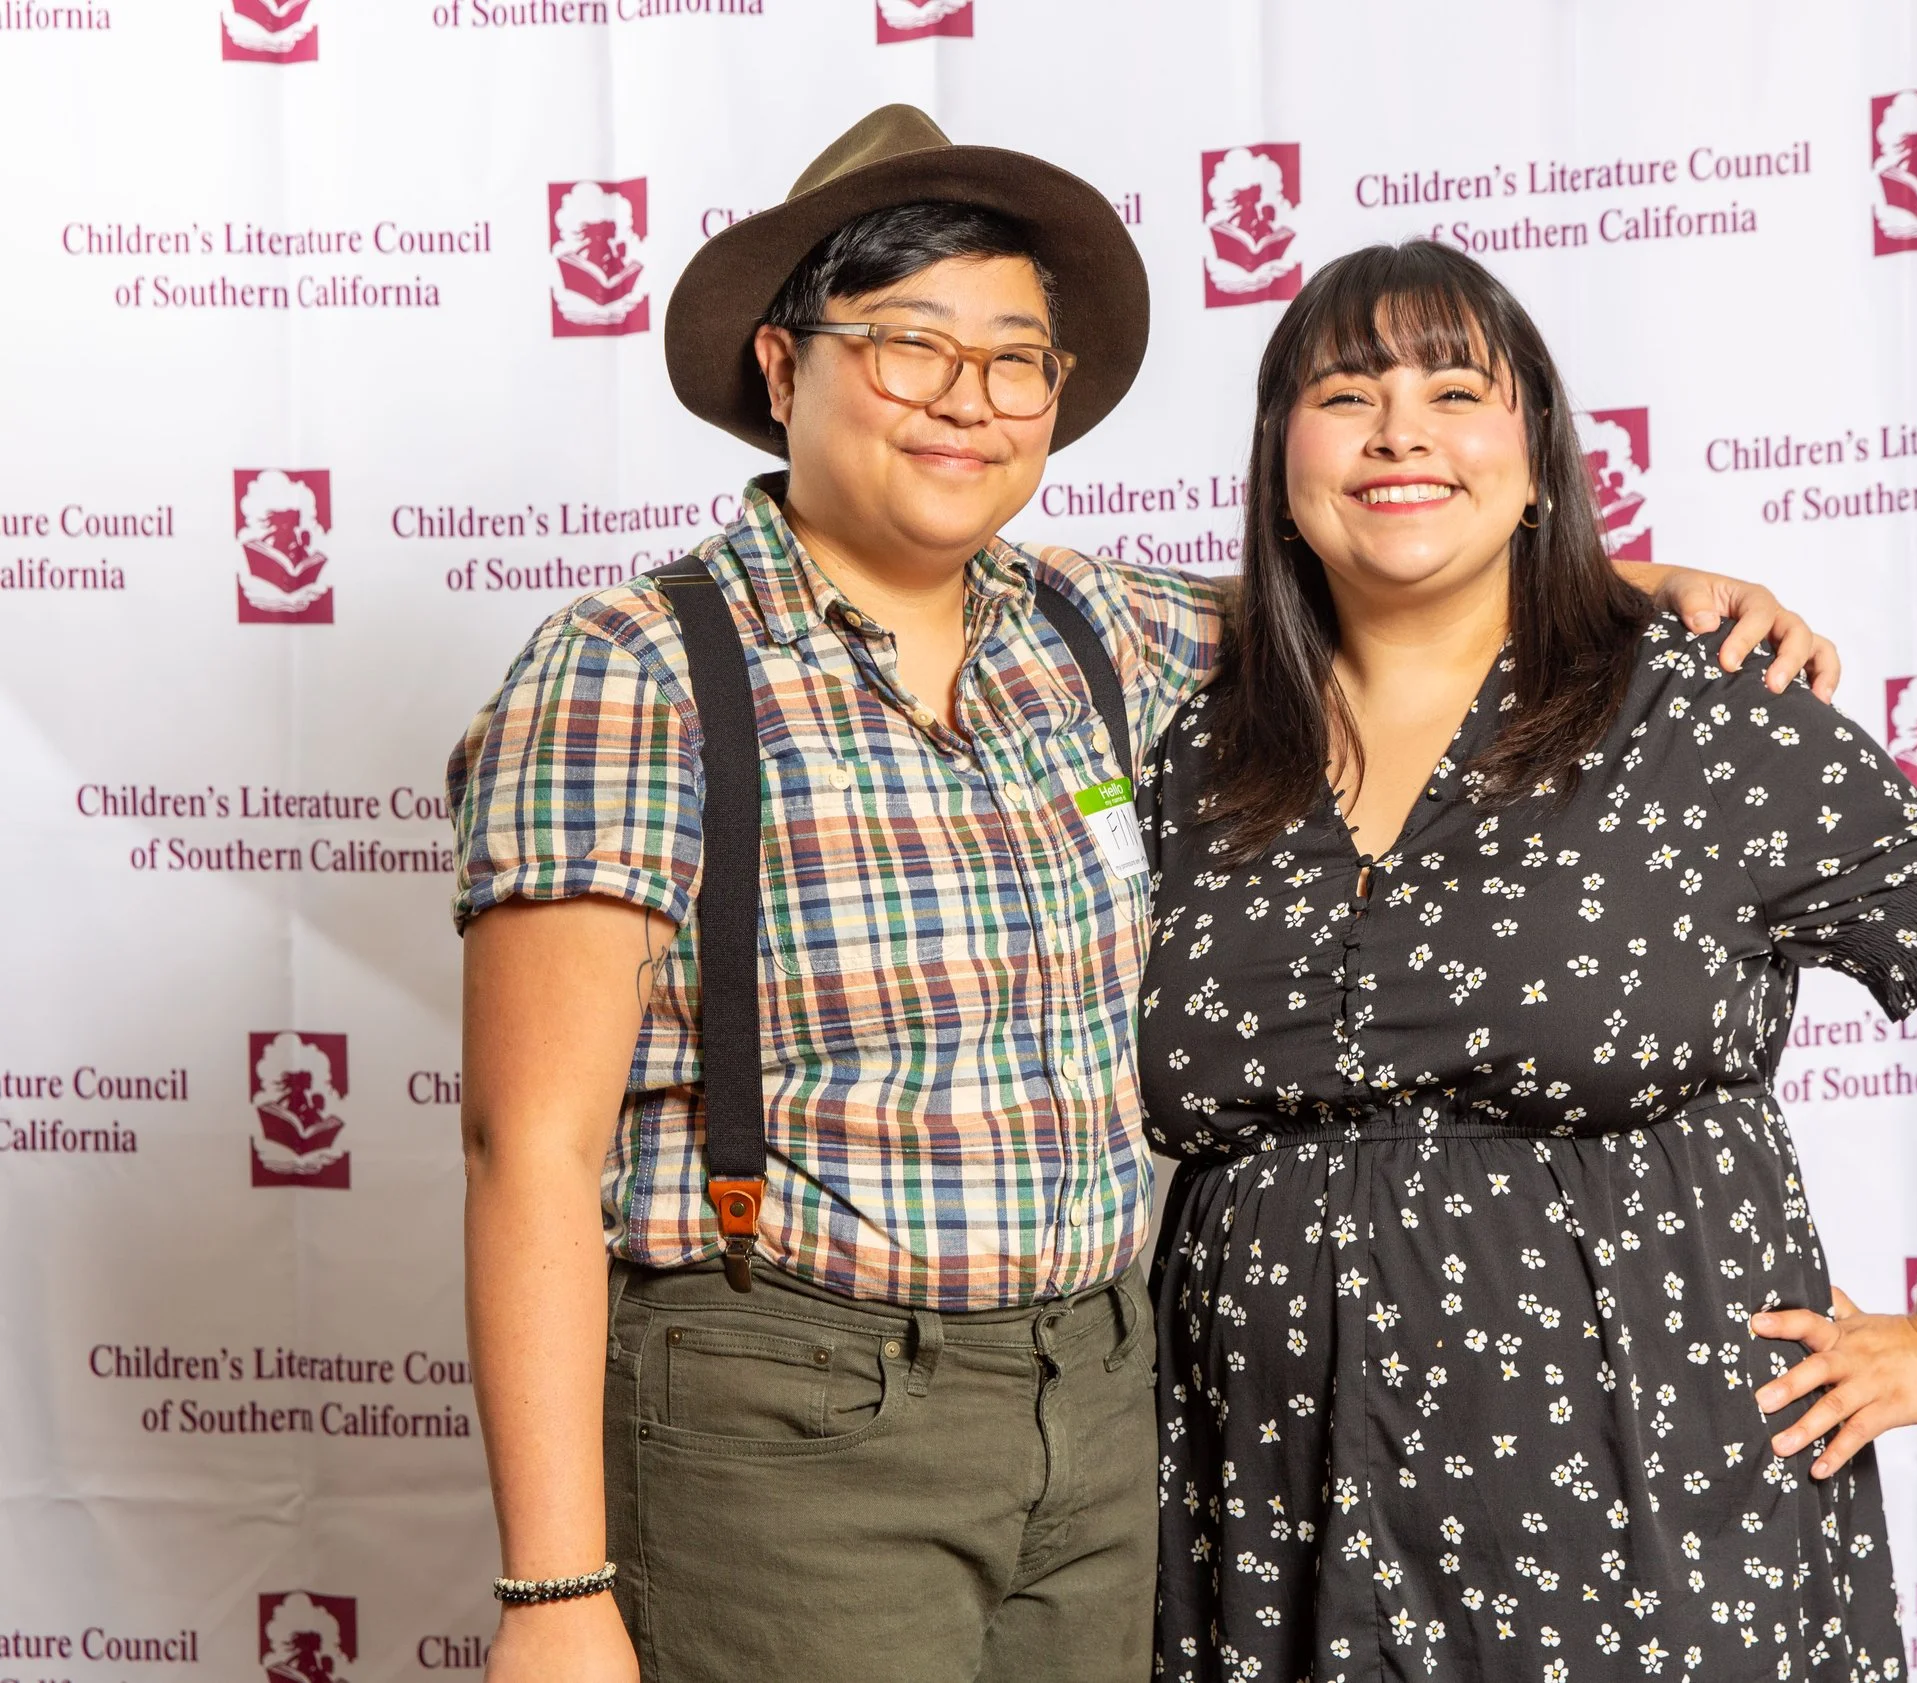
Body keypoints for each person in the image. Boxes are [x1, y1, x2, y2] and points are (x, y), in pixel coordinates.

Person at [450, 106, 1840, 1683]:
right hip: (791, 1403)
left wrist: (1621, 579)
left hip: (1106, 1413)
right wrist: (553, 1587)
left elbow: (1374, 572)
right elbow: (530, 1145)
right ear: (785, 370)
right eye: (909, 346)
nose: (965, 403)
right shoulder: (635, 672)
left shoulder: (1090, 632)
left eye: (1014, 360)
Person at [1138, 240, 1917, 1682]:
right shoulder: (1184, 731)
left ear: (1540, 459)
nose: (1400, 430)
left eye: (1458, 391)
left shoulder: (1692, 708)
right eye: (1346, 394)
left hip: (1645, 1482)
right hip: (1269, 1496)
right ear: (1277, 458)